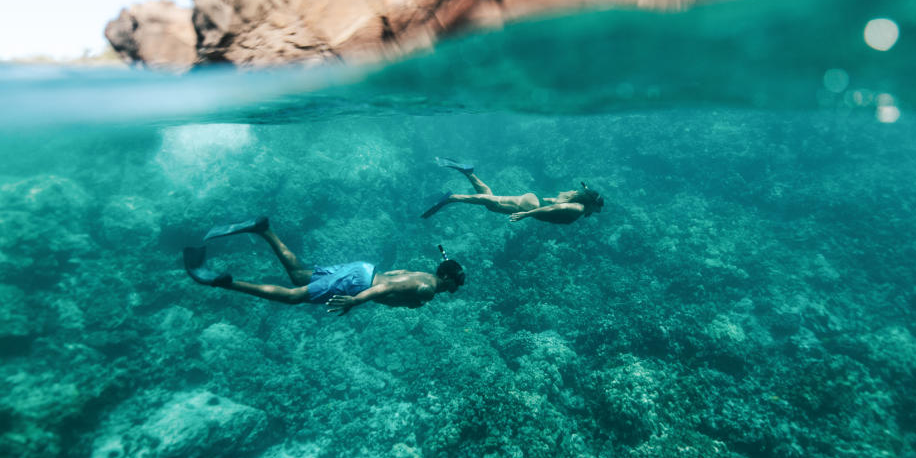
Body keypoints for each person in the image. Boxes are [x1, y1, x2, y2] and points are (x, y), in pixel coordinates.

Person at [183, 216, 465, 315]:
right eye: (456, 285)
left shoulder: (422, 275)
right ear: (447, 280)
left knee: (296, 275)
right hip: (361, 284)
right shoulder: (428, 288)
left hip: (363, 271)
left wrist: (401, 301)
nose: (455, 290)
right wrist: (355, 301)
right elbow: (386, 288)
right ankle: (225, 282)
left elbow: (392, 278)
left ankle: (264, 229)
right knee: (294, 297)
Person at [421, 157, 605, 225]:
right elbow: (552, 210)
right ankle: (453, 197)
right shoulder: (578, 209)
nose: (594, 213)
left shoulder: (574, 198)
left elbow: (557, 202)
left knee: (491, 201)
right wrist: (526, 214)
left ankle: (468, 172)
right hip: (533, 205)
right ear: (590, 204)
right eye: (596, 210)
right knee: (492, 202)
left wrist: (588, 191)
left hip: (535, 199)